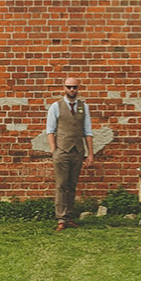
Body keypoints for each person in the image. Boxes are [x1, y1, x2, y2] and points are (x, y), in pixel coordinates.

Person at [46, 74, 94, 231]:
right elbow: (50, 131)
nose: (72, 90)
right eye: (69, 87)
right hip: (61, 151)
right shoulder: (56, 106)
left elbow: (88, 131)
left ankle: (69, 216)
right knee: (61, 185)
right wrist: (54, 150)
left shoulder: (83, 106)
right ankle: (61, 218)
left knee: (72, 185)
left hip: (78, 151)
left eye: (75, 87)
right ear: (64, 88)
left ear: (78, 89)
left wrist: (90, 154)